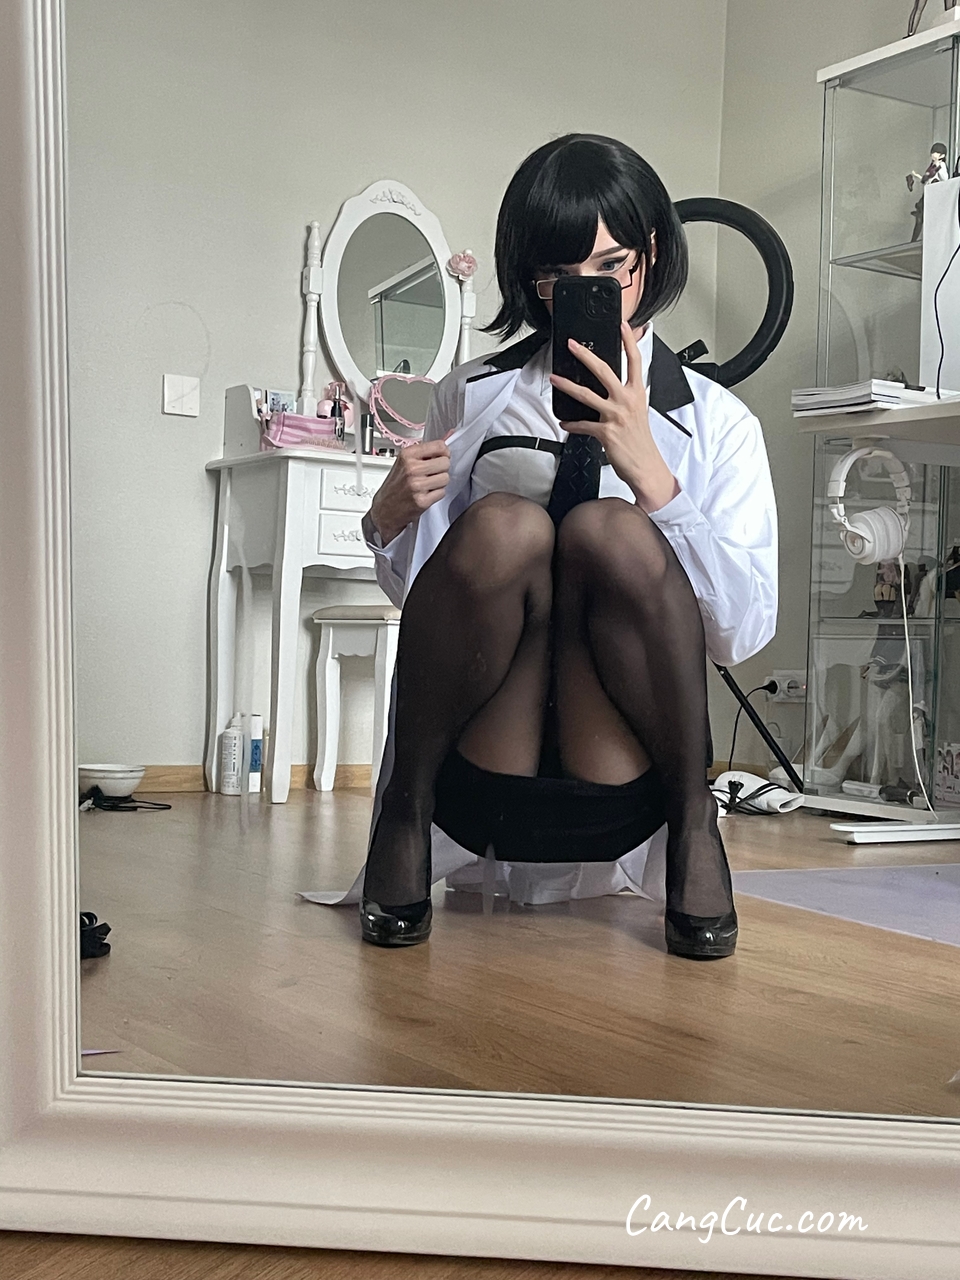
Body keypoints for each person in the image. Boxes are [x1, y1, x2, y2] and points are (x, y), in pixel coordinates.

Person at [354, 134, 778, 959]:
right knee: (506, 526)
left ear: (651, 255)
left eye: (612, 266)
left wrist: (656, 482)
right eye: (560, 277)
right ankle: (405, 809)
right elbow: (430, 602)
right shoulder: (472, 395)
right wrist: (384, 521)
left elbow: (740, 632)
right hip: (487, 758)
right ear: (531, 278)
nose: (589, 293)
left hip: (623, 769)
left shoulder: (720, 425)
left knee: (607, 530)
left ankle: (695, 821)